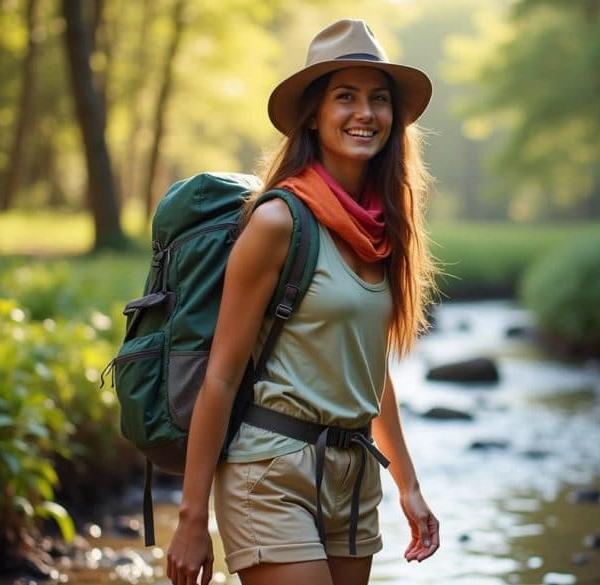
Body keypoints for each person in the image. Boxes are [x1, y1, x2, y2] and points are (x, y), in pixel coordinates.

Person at [166, 19, 440, 585]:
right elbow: (220, 375)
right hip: (269, 469)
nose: (365, 113)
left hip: (354, 472)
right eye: (346, 97)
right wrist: (192, 518)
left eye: (379, 99)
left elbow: (366, 369)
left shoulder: (383, 229)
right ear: (314, 113)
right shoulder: (277, 221)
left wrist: (407, 485)